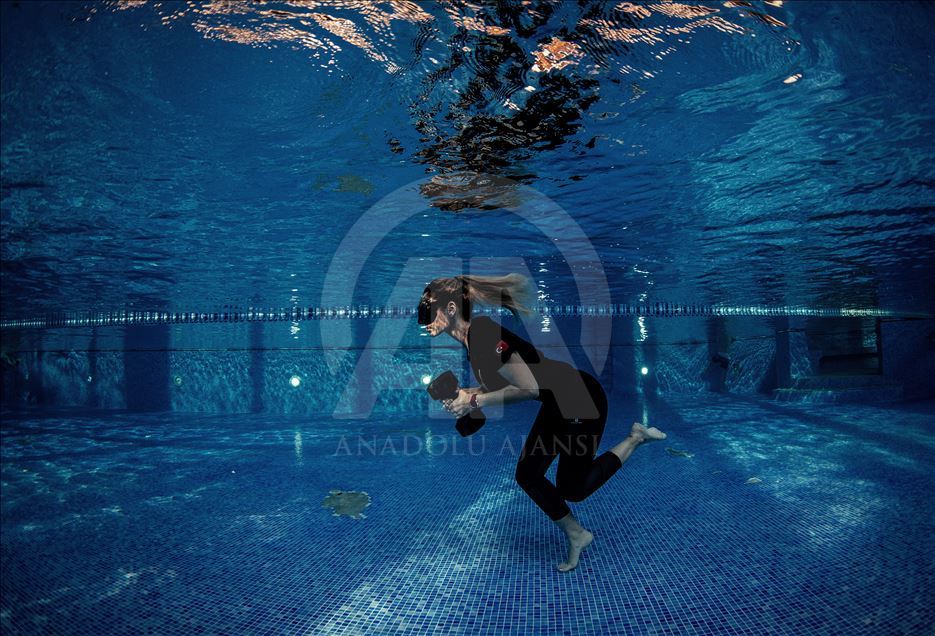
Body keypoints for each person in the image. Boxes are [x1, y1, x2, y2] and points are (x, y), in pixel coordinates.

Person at [419, 273, 666, 572]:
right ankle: (577, 534)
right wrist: (467, 395)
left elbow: (528, 388)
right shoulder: (473, 341)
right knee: (528, 474)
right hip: (557, 403)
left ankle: (636, 437)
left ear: (451, 310)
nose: (425, 320)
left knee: (573, 488)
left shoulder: (483, 332)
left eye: (429, 312)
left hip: (579, 398)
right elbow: (507, 382)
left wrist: (472, 402)